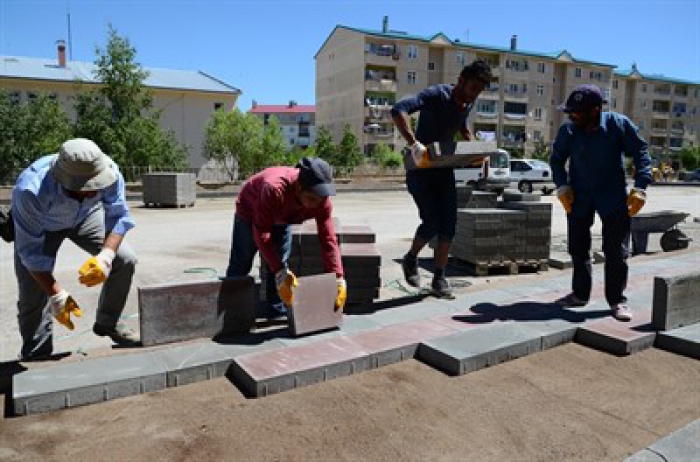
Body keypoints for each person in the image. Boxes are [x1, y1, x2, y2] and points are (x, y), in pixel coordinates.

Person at [12, 138, 139, 361]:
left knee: (125, 259)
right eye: (85, 189)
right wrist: (57, 294)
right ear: (64, 180)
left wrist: (106, 256)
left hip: (86, 216)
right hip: (44, 225)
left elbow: (118, 216)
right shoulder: (30, 190)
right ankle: (37, 353)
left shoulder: (109, 171)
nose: (93, 192)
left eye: (96, 186)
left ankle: (107, 323)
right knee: (33, 289)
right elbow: (30, 253)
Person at [550, 84, 652, 321]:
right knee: (577, 248)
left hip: (613, 197)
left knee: (616, 251)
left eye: (576, 112)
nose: (571, 116)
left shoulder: (618, 125)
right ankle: (579, 294)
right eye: (570, 112)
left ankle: (617, 300)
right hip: (579, 197)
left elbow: (641, 152)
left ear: (595, 110)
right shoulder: (569, 131)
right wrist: (562, 186)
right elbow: (556, 160)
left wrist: (640, 187)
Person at [391, 59, 492, 297]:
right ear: (460, 81)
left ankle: (439, 278)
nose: (474, 96)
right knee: (432, 221)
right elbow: (398, 110)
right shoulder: (436, 95)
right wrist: (413, 143)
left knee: (449, 225)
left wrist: (473, 145)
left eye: (479, 91)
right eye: (473, 88)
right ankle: (410, 258)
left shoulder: (466, 103)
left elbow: (462, 124)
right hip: (420, 168)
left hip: (443, 169)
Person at [225, 157, 347, 318]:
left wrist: (338, 277)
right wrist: (279, 271)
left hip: (283, 216)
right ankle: (231, 312)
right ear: (299, 187)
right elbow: (262, 233)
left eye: (320, 200)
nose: (315, 205)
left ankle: (276, 310)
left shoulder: (321, 200)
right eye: (311, 199)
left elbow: (328, 238)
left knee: (280, 260)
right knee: (242, 260)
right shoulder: (274, 188)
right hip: (250, 210)